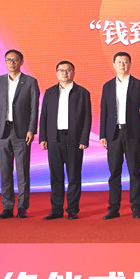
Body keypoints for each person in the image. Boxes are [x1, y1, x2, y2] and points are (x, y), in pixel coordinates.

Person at [0, 49, 39, 219]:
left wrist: (31, 129)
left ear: (21, 62)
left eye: (15, 60)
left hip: (22, 133)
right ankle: (7, 207)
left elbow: (34, 108)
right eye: (8, 60)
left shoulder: (30, 82)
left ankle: (23, 207)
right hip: (2, 132)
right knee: (5, 171)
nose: (11, 63)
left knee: (23, 172)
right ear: (5, 62)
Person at [39, 61, 92, 220]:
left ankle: (72, 210)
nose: (65, 73)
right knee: (56, 176)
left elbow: (87, 118)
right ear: (56, 73)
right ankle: (56, 209)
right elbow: (44, 116)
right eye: (61, 70)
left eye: (68, 70)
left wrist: (84, 139)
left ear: (73, 72)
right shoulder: (50, 92)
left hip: (74, 140)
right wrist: (43, 137)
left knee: (74, 175)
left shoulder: (82, 92)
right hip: (54, 139)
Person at [99, 52, 140, 219]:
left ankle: (136, 207)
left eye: (125, 62)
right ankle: (113, 208)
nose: (122, 65)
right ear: (114, 65)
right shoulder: (107, 86)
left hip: (133, 133)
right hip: (113, 134)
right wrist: (102, 134)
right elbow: (104, 111)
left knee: (134, 171)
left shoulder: (138, 85)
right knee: (114, 172)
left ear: (130, 64)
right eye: (119, 62)